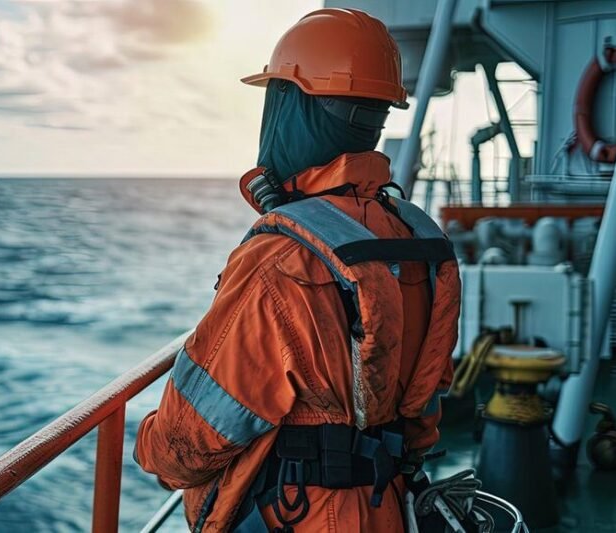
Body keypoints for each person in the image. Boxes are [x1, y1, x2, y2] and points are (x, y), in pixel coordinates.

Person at [135, 8, 461, 532]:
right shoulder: (420, 237)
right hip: (389, 507)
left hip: (298, 516)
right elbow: (423, 417)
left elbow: (185, 447)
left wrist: (149, 444)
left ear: (291, 107)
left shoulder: (281, 257)